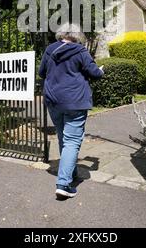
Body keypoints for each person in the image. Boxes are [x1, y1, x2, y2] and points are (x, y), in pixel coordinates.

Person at [38, 24, 104, 199]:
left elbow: (41, 73)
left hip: (53, 101)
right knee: (72, 141)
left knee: (63, 138)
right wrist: (101, 71)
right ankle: (63, 183)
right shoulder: (80, 51)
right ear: (77, 35)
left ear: (61, 34)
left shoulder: (49, 50)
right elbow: (94, 73)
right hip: (75, 101)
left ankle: (71, 172)